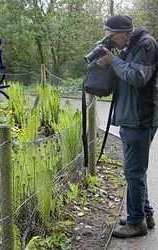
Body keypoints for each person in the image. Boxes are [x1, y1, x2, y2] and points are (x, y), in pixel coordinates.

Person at [100, 15, 158, 238]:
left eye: (112, 37)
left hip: (140, 118)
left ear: (124, 32)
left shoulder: (146, 44)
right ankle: (145, 214)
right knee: (135, 171)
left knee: (133, 171)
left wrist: (113, 61)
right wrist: (110, 59)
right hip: (130, 117)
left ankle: (136, 223)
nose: (111, 41)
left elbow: (137, 77)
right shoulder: (129, 46)